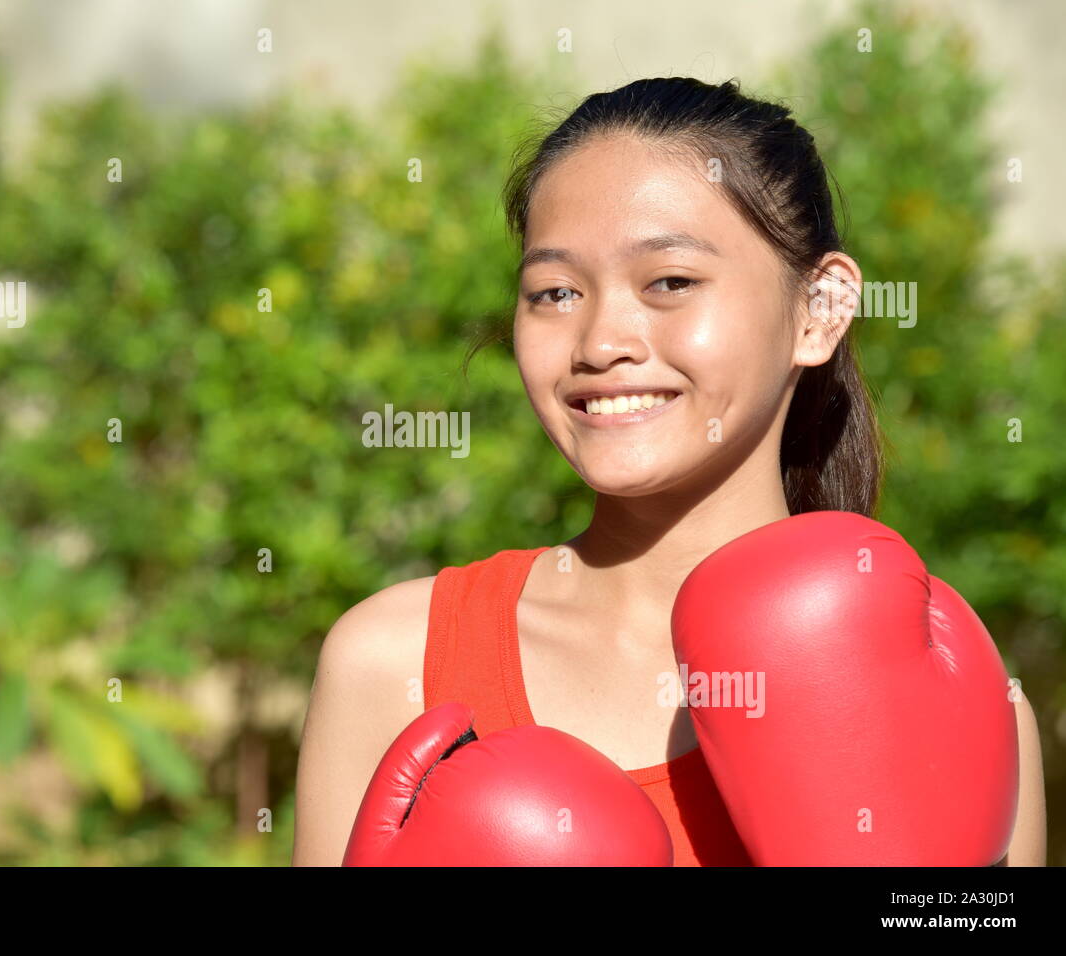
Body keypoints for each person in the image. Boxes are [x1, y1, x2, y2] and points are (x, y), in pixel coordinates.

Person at [291, 76, 1048, 866]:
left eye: (670, 282)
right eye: (554, 292)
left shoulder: (966, 705)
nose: (600, 341)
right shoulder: (396, 664)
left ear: (819, 308)